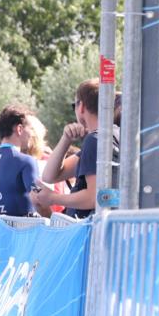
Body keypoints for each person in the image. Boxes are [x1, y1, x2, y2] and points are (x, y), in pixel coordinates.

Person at [33, 79, 118, 218]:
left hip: (92, 232)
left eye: (75, 105)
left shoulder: (95, 140)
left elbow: (93, 197)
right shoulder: (113, 136)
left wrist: (53, 197)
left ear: (82, 106)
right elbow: (49, 176)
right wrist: (66, 139)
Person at [0, 104, 42, 218]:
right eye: (30, 129)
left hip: (0, 234)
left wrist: (1, 211)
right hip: (25, 233)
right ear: (19, 129)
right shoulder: (27, 161)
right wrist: (51, 220)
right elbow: (39, 199)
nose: (32, 134)